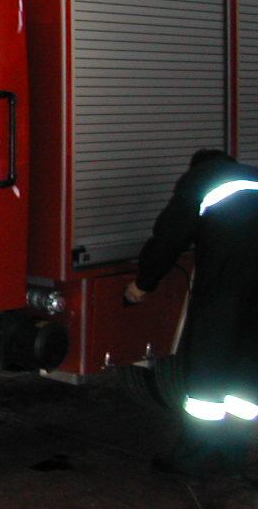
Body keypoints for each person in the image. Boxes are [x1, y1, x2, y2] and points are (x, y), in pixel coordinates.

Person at [124, 149, 258, 476]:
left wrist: (143, 285)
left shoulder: (199, 181)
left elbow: (168, 237)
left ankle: (195, 457)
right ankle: (237, 452)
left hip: (226, 292)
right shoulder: (252, 177)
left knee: (208, 373)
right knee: (245, 369)